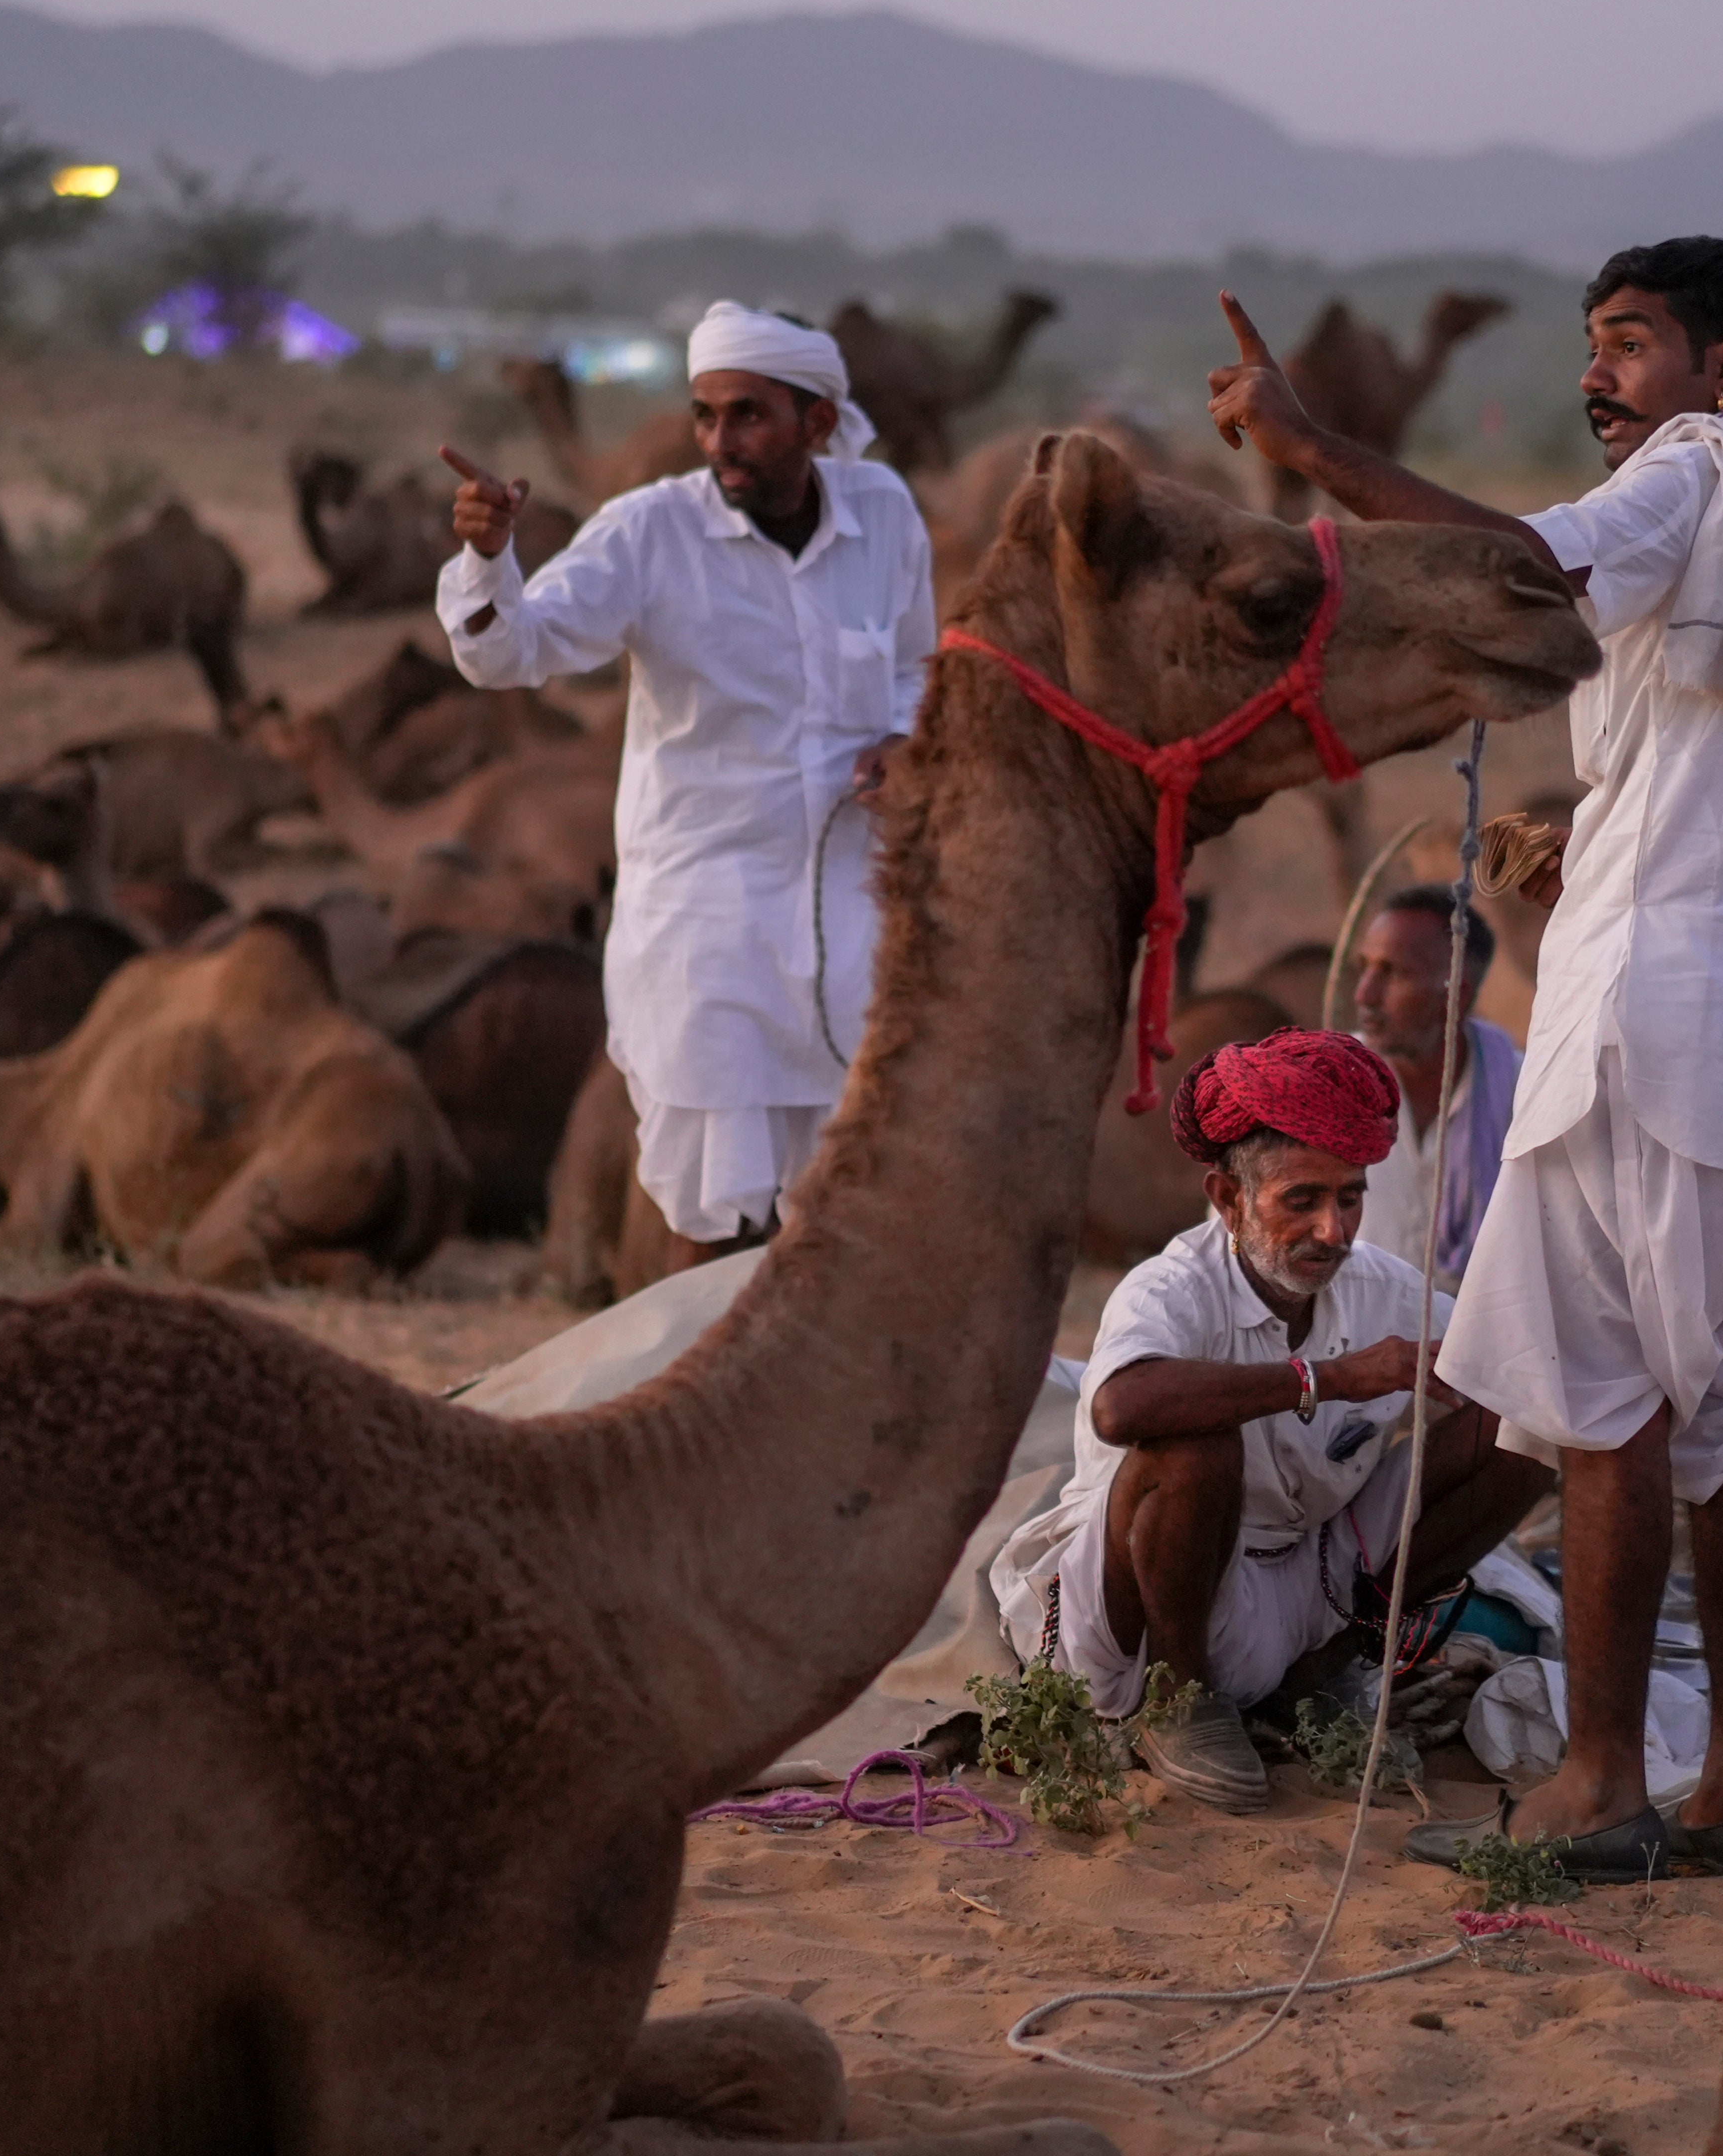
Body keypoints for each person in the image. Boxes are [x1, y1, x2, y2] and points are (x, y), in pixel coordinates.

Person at [1209, 237, 1723, 1885]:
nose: (1599, 378)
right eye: (1592, 345)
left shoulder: (1697, 474)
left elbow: (1511, 566)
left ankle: (1596, 1787)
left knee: (1608, 1424)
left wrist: (1308, 451)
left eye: (1630, 343)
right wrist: (1625, 839)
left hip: (1656, 1037)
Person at [434, 304, 935, 1253]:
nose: (718, 442)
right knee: (714, 1211)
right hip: (709, 925)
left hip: (853, 909)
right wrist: (490, 560)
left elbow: (917, 663)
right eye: (705, 415)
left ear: (817, 421)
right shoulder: (647, 533)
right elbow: (514, 652)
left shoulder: (886, 516)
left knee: (855, 1212)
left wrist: (907, 737)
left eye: (747, 416)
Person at [988, 1029, 1551, 1814]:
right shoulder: (1170, 1290)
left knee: (1525, 1429)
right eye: (1303, 1201)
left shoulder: (1385, 1291)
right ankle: (1180, 1705)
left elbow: (1512, 1373)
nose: (1334, 1232)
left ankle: (1327, 1671)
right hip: (1142, 1611)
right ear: (1229, 1199)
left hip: (1309, 1580)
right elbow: (1120, 1407)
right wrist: (1330, 1380)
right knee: (1195, 1444)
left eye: (1350, 1198)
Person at [1348, 886, 1518, 1284]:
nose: (1365, 994)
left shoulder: (1528, 1096)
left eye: (1394, 973)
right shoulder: (1322, 1086)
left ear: (1455, 994)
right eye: (1365, 968)